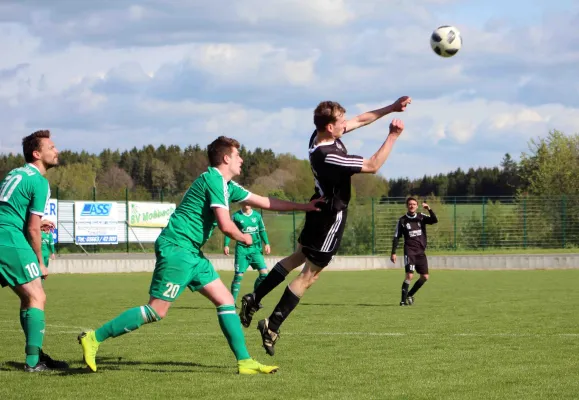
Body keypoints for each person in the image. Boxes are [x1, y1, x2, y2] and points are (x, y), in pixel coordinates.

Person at [77, 136, 322, 375]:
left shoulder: (227, 186)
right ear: (226, 158)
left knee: (225, 300)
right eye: (238, 155)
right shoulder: (214, 180)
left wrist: (305, 207)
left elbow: (264, 201)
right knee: (157, 311)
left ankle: (245, 361)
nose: (242, 159)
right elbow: (225, 225)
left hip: (192, 253)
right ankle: (93, 338)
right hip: (177, 248)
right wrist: (246, 237)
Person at [239, 96, 411, 356]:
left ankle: (255, 298)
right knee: (310, 275)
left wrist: (391, 108)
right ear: (330, 127)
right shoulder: (329, 156)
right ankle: (271, 325)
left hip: (316, 207)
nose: (346, 124)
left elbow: (361, 119)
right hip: (331, 216)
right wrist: (393, 136)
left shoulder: (318, 138)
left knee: (297, 257)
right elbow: (373, 165)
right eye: (341, 121)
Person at [0, 130, 68, 372]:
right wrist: (40, 261)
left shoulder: (16, 173)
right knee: (37, 296)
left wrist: (38, 223)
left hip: (4, 233)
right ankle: (33, 362)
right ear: (37, 153)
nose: (56, 150)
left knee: (28, 297)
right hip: (7, 238)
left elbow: (10, 210)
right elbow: (31, 229)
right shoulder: (39, 180)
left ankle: (35, 354)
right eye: (51, 147)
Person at [390, 197, 438, 306]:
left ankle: (410, 294)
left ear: (417, 206)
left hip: (420, 252)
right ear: (407, 206)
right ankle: (402, 301)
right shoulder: (402, 220)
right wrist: (393, 252)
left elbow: (434, 220)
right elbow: (396, 237)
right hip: (409, 251)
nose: (412, 206)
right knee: (410, 275)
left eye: (414, 204)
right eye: (410, 204)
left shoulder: (421, 217)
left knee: (425, 277)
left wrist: (429, 209)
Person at [223, 203, 270, 305]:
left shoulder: (257, 216)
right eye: (245, 201)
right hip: (242, 250)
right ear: (241, 203)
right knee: (238, 276)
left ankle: (254, 297)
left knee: (264, 275)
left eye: (249, 202)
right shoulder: (236, 216)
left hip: (256, 250)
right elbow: (229, 230)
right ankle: (232, 302)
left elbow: (262, 230)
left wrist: (267, 243)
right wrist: (226, 244)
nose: (247, 204)